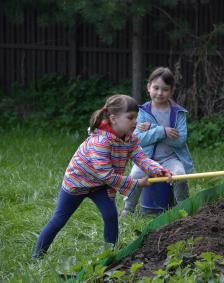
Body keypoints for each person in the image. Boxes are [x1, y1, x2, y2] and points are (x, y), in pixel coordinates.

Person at [32, 94, 172, 259]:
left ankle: (110, 253)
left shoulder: (130, 139)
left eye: (136, 117)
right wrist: (136, 183)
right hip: (78, 182)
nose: (135, 122)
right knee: (60, 218)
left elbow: (141, 158)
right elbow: (106, 175)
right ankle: (37, 255)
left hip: (100, 185)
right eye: (130, 117)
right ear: (113, 118)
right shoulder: (101, 142)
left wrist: (159, 170)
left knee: (111, 215)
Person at [121, 67, 194, 216]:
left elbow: (180, 140)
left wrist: (151, 130)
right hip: (145, 159)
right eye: (156, 88)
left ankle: (184, 208)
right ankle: (128, 209)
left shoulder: (178, 113)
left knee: (180, 175)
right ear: (148, 87)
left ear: (172, 91)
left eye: (165, 89)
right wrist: (162, 131)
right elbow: (137, 139)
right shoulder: (142, 112)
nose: (160, 93)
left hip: (170, 158)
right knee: (135, 175)